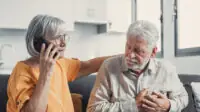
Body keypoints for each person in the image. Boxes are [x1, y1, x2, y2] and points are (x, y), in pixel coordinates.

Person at [7, 14, 111, 112]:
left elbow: (88, 66)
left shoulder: (60, 64)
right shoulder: (21, 72)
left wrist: (123, 57)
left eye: (64, 36)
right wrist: (45, 74)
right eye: (57, 37)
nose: (63, 43)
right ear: (38, 43)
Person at [87, 20, 188, 112]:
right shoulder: (109, 67)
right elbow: (93, 109)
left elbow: (182, 98)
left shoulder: (166, 69)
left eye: (138, 51)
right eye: (128, 47)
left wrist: (169, 105)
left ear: (153, 52)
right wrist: (133, 106)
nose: (130, 55)